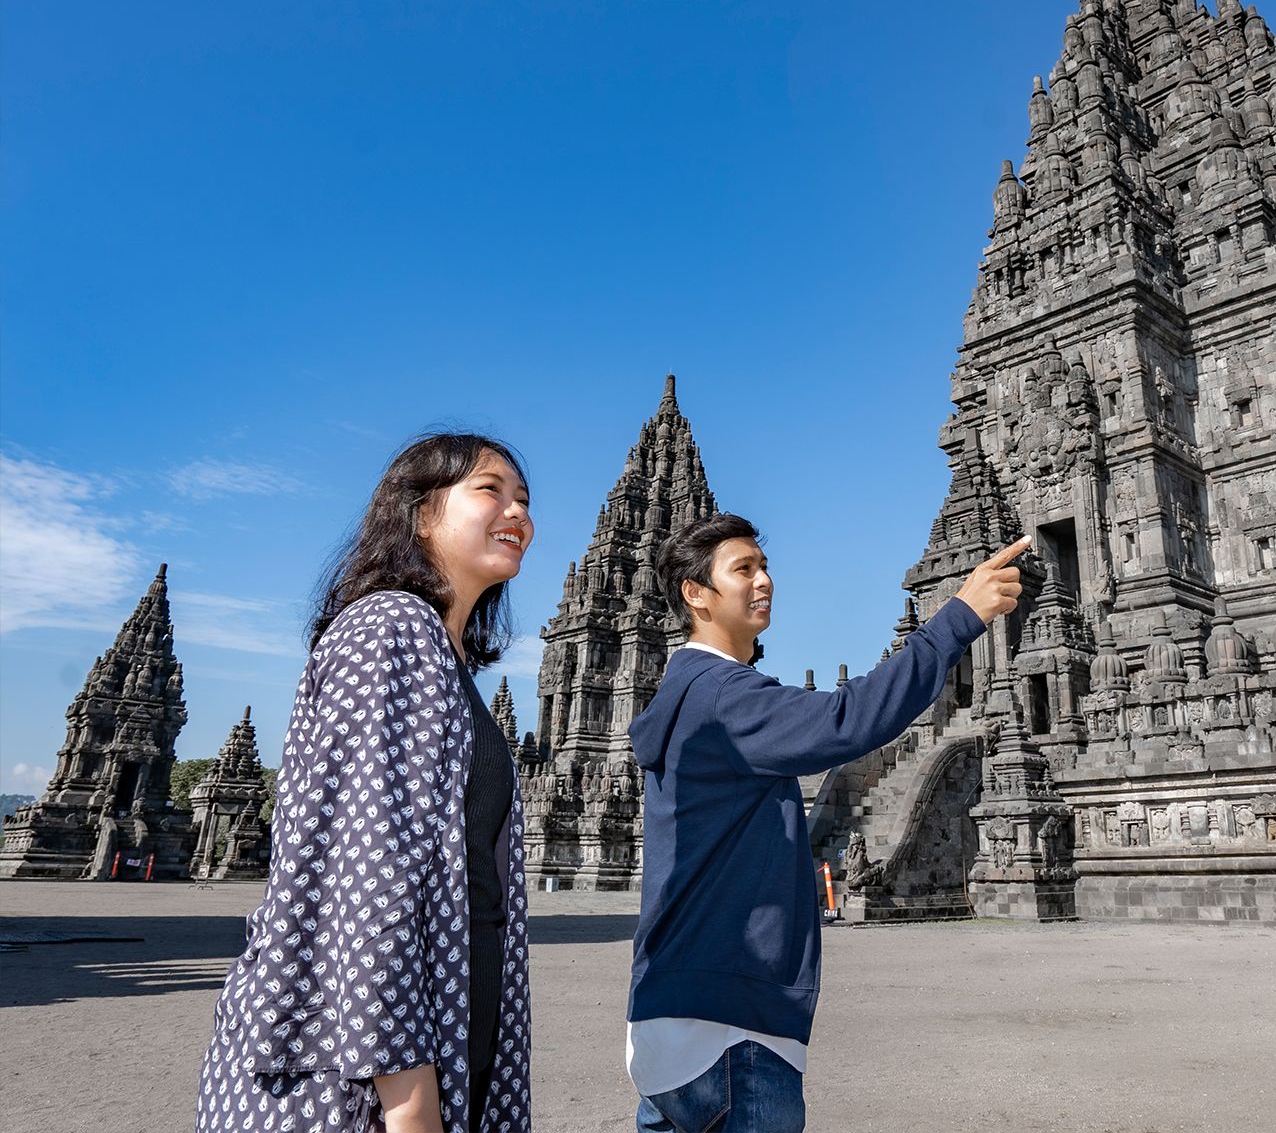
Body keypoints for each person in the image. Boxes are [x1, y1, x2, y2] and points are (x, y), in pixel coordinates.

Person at [627, 512, 1028, 1132]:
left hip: (665, 1019)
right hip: (734, 1026)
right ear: (695, 594)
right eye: (743, 569)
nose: (764, 581)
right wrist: (960, 617)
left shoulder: (683, 697)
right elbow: (848, 720)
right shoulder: (723, 696)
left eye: (764, 567)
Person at [196, 433, 537, 1133]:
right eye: (490, 490)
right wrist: (409, 1101)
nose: (517, 512)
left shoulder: (443, 661)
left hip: (438, 1046)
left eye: (525, 500)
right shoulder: (390, 628)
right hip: (365, 1084)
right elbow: (366, 874)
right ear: (419, 514)